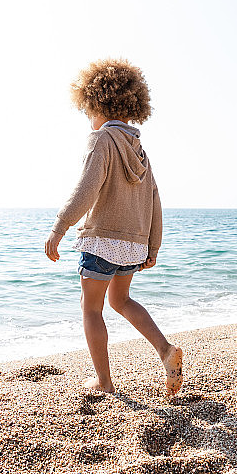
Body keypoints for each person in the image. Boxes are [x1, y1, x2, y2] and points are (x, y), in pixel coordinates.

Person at [44, 58, 183, 395]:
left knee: (90, 307)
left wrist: (59, 227)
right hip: (134, 244)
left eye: (88, 110)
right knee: (121, 301)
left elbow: (86, 188)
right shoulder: (140, 150)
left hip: (102, 241)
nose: (88, 118)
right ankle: (165, 350)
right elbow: (154, 199)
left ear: (97, 103)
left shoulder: (102, 140)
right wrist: (153, 246)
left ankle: (104, 383)